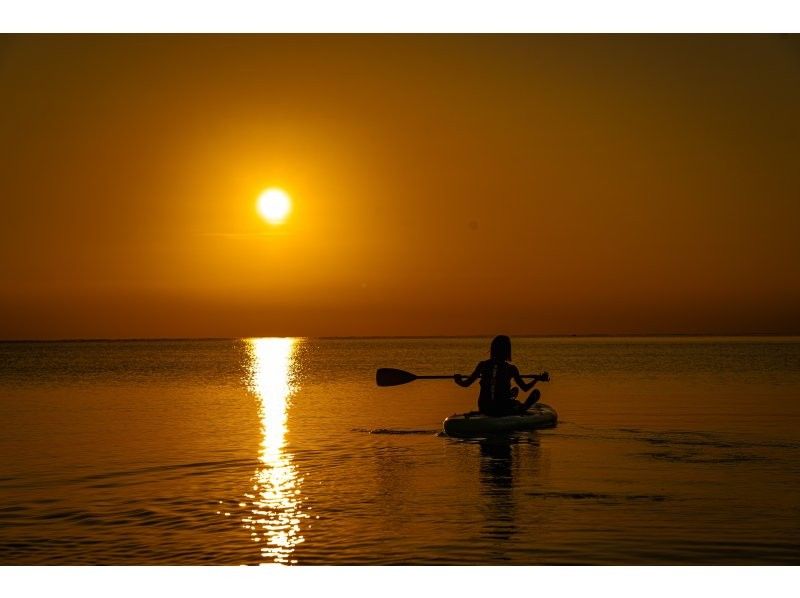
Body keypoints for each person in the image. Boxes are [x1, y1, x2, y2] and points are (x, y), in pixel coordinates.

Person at [454, 335, 549, 416]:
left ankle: (510, 397)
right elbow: (525, 388)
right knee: (536, 393)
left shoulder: (482, 365)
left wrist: (458, 380)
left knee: (514, 390)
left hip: (484, 407)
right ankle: (522, 408)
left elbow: (465, 384)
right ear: (507, 351)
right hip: (502, 408)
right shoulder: (511, 368)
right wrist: (536, 379)